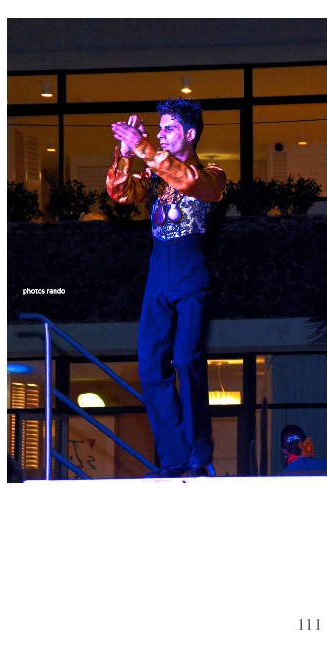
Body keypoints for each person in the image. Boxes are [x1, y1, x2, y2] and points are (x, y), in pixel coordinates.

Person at [106, 99, 227, 477]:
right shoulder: (155, 176)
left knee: (187, 360)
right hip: (157, 275)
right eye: (158, 129)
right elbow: (120, 193)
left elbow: (186, 180)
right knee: (149, 366)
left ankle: (199, 452)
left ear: (190, 134)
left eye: (169, 128)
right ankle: (174, 457)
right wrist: (125, 154)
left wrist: (143, 148)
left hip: (191, 275)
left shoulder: (212, 175)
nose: (160, 134)